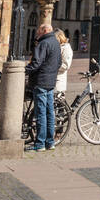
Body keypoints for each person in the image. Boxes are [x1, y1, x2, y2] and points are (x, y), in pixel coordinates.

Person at [24, 23, 62, 151]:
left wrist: (25, 70)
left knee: (41, 113)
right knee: (50, 113)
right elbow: (59, 63)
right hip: (50, 82)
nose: (37, 34)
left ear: (45, 31)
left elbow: (36, 63)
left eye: (39, 31)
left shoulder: (43, 43)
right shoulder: (56, 43)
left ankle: (40, 144)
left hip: (40, 81)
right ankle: (50, 142)